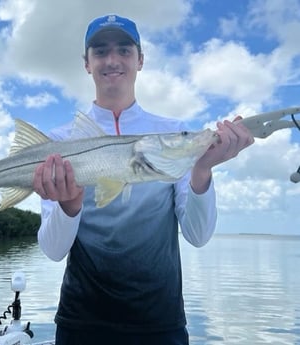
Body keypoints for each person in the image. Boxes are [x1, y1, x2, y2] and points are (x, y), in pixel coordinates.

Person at [33, 14, 254, 345]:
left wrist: (201, 171)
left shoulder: (171, 135)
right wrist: (69, 206)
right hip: (81, 321)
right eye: (100, 51)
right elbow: (52, 250)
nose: (112, 60)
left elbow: (197, 235)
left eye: (124, 50)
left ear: (140, 60)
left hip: (160, 323)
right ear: (86, 63)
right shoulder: (60, 143)